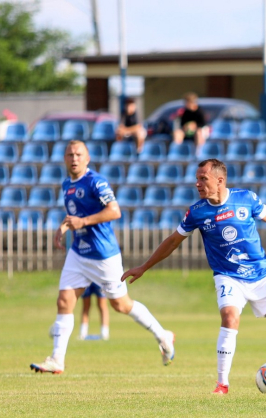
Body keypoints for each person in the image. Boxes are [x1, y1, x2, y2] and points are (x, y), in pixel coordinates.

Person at [121, 158, 266, 395]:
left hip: (260, 275)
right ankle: (222, 384)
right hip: (227, 277)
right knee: (229, 317)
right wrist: (144, 266)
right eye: (196, 179)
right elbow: (173, 241)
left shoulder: (246, 199)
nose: (197, 183)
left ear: (219, 180)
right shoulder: (197, 212)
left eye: (202, 178)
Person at [30, 140, 174, 374]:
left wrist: (83, 222)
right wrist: (64, 227)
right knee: (64, 301)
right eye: (70, 154)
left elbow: (114, 211)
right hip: (78, 252)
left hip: (103, 255)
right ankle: (57, 359)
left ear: (87, 158)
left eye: (79, 154)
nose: (74, 158)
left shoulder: (96, 181)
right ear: (64, 159)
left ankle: (163, 334)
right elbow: (75, 213)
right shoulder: (67, 184)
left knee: (121, 305)